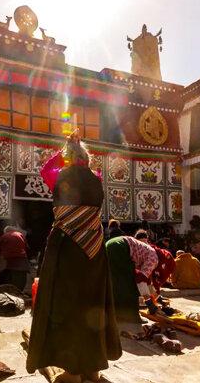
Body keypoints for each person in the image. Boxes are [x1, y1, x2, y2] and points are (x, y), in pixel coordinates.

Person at [27, 132, 121, 383]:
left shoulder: (59, 176)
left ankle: (74, 371)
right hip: (93, 250)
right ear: (87, 159)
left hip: (66, 249)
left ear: (68, 158)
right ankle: (93, 368)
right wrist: (76, 149)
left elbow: (46, 168)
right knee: (93, 304)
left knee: (66, 306)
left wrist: (65, 149)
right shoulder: (97, 178)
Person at [106, 231, 159, 322]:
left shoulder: (146, 252)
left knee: (116, 283)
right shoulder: (153, 258)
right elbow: (140, 279)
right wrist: (149, 303)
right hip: (121, 247)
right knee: (131, 285)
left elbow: (145, 280)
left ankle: (116, 314)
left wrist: (151, 294)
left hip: (110, 244)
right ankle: (133, 316)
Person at [0, 226, 30, 291]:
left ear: (5, 231)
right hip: (21, 260)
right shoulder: (20, 235)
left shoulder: (3, 236)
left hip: (7, 260)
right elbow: (26, 247)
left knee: (4, 278)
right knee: (20, 282)